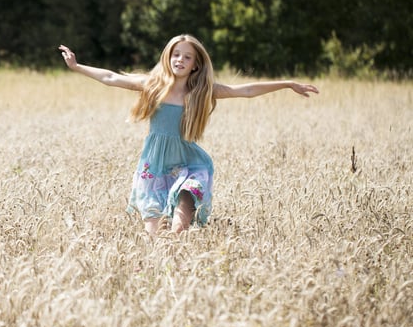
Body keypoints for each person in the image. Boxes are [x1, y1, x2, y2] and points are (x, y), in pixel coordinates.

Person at [59, 34, 318, 235]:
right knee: (154, 235)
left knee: (178, 229)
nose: (180, 60)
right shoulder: (153, 85)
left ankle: (181, 245)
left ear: (196, 65)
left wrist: (286, 84)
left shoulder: (201, 91)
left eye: (187, 57)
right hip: (154, 166)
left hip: (188, 164)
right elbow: (111, 77)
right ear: (168, 58)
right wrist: (76, 66)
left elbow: (245, 90)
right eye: (176, 55)